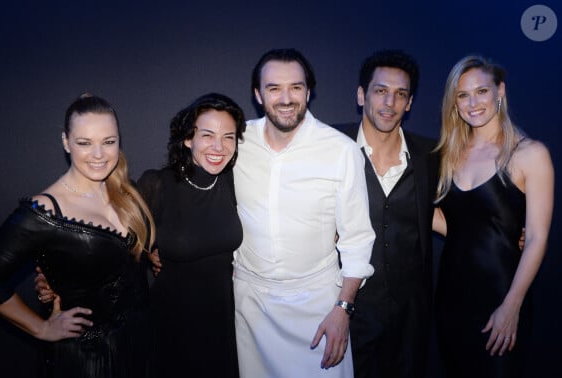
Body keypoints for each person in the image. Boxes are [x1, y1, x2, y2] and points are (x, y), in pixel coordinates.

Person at [0, 94, 156, 378]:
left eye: (108, 142)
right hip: (87, 360)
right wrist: (41, 327)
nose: (98, 155)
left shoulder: (127, 192)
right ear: (66, 142)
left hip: (140, 346)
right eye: (84, 143)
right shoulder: (45, 212)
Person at [233, 48, 375, 377]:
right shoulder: (236, 143)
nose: (286, 98)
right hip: (251, 308)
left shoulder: (341, 150)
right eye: (273, 88)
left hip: (320, 308)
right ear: (257, 94)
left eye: (296, 87)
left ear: (308, 92)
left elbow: (357, 239)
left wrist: (343, 309)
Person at [432, 55, 554, 378]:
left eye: (481, 91)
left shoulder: (530, 154)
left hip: (501, 295)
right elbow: (458, 227)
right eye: (462, 95)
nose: (473, 103)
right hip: (451, 299)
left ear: (499, 91)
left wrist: (512, 306)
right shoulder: (448, 156)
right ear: (454, 102)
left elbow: (538, 237)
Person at [339, 50, 438, 378]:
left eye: (400, 94)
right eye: (380, 91)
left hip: (412, 317)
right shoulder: (330, 147)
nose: (389, 103)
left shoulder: (431, 155)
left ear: (409, 103)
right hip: (347, 310)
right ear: (360, 95)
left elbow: (459, 212)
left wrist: (504, 234)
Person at [137, 93, 246, 378]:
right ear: (188, 138)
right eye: (207, 135)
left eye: (229, 137)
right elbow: (116, 247)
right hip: (174, 323)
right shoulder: (157, 184)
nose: (219, 147)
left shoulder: (234, 182)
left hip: (225, 320)